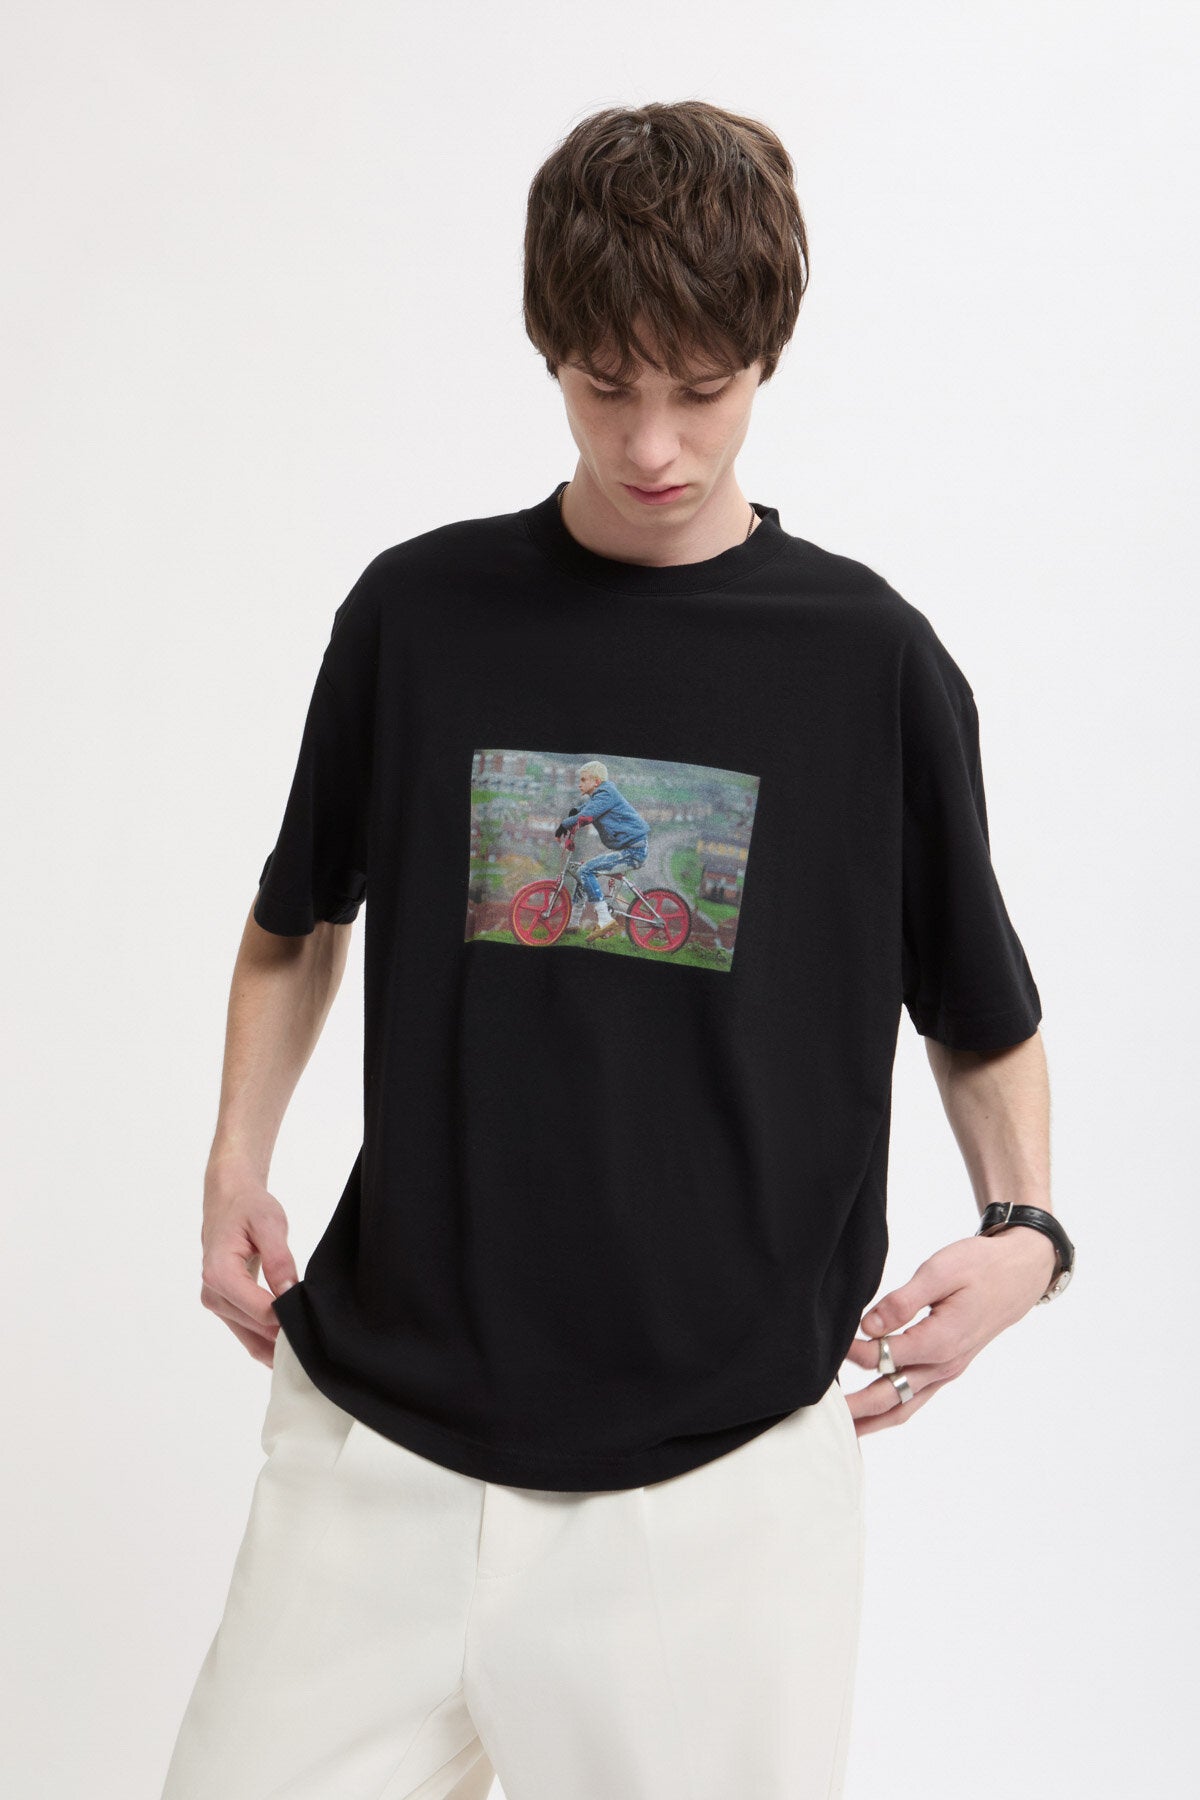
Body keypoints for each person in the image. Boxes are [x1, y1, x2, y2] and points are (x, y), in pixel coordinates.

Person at [160, 99, 1074, 1800]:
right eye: (604, 386)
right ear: (549, 355)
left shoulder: (870, 663)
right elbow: (298, 920)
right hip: (375, 1448)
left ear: (767, 355)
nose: (654, 443)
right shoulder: (417, 616)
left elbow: (978, 1004)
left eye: (701, 391)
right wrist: (233, 1159)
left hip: (713, 1499)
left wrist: (1027, 1232)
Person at [554, 758, 651, 937]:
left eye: (583, 780)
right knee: (582, 871)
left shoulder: (606, 794)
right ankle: (574, 922)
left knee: (586, 870)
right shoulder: (602, 795)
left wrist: (564, 824)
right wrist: (575, 812)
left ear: (596, 782)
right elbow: (587, 808)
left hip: (634, 851)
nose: (579, 784)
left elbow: (589, 814)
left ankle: (605, 919)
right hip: (628, 848)